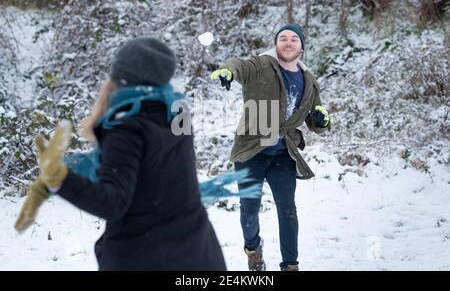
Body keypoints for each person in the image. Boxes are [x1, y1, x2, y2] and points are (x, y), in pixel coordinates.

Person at [15, 37, 227, 271]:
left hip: (146, 257)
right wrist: (68, 170)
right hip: (198, 254)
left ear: (119, 76)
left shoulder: (127, 127)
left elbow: (112, 202)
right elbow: (148, 170)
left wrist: (60, 178)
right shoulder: (176, 115)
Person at [210, 24, 331, 271]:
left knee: (288, 210)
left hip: (283, 154)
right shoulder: (261, 65)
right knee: (249, 211)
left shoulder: (310, 82)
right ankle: (253, 249)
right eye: (283, 38)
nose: (288, 42)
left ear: (302, 47)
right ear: (276, 44)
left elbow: (317, 118)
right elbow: (239, 65)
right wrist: (228, 71)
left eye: (294, 39)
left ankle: (290, 265)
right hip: (251, 151)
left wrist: (322, 119)